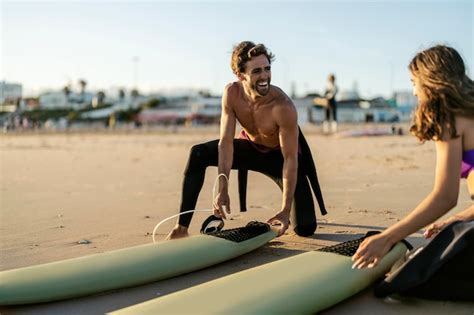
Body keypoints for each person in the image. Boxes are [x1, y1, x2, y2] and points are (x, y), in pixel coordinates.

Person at [166, 41, 326, 240]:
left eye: (267, 69)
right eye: (257, 71)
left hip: (279, 159)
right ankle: (181, 228)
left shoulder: (282, 106)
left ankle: (293, 211)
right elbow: (225, 142)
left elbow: (290, 159)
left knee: (305, 228)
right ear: (240, 75)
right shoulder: (232, 94)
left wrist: (284, 211)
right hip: (250, 149)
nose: (265, 76)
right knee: (199, 153)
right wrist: (223, 189)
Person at [352, 45, 474, 269]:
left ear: (430, 80)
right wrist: (457, 220)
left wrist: (387, 238)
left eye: (413, 82)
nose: (415, 92)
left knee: (411, 270)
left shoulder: (448, 117)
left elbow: (445, 197)